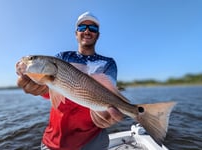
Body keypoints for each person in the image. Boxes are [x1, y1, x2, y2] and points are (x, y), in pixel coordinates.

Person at [16, 12, 123, 150]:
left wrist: (109, 114)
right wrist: (37, 86)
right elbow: (51, 91)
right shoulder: (62, 57)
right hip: (56, 140)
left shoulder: (108, 63)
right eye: (82, 27)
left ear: (98, 35)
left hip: (94, 139)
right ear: (76, 33)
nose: (87, 31)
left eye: (93, 28)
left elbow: (108, 93)